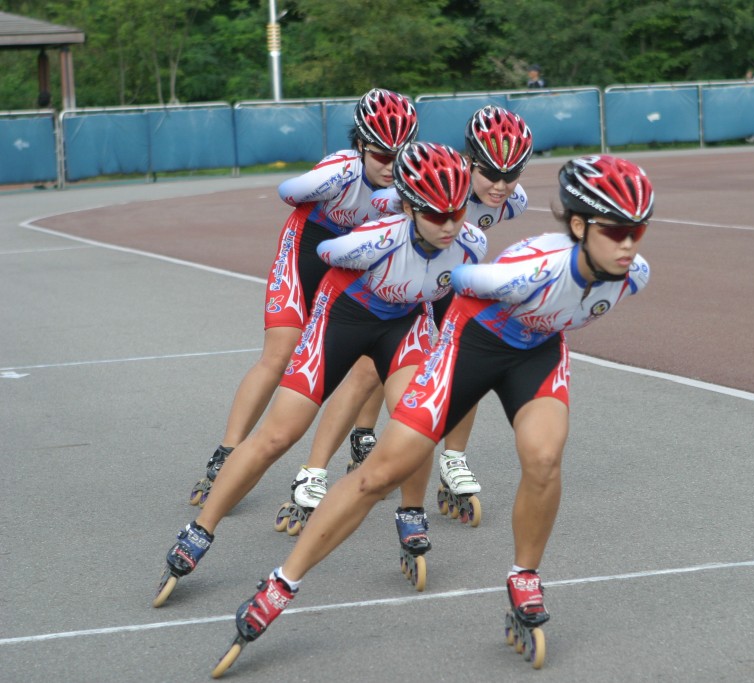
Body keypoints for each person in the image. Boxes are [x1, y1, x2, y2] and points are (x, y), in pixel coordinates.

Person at [208, 154, 654, 676]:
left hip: (536, 354)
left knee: (544, 458)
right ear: (579, 226)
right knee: (379, 476)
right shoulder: (530, 270)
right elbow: (458, 280)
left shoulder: (633, 276)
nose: (629, 244)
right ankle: (281, 584)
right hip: (474, 343)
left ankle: (523, 575)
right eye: (618, 229)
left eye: (638, 230)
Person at [154, 142, 486, 608]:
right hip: (342, 318)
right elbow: (325, 251)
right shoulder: (374, 240)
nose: (449, 225)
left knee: (418, 422)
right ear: (410, 205)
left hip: (403, 326)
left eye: (456, 212)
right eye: (435, 214)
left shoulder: (472, 244)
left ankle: (411, 512)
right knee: (278, 435)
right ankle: (200, 529)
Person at [186, 88, 418, 513]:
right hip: (308, 250)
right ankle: (227, 452)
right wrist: (318, 184)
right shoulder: (342, 170)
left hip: (355, 261)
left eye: (400, 155)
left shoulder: (408, 184)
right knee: (281, 353)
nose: (391, 165)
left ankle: (362, 436)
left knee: (376, 347)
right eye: (382, 154)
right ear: (362, 144)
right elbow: (289, 192)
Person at [367, 105, 535, 527]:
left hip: (446, 276)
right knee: (376, 364)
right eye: (490, 174)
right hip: (402, 272)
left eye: (511, 174)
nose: (500, 185)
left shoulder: (512, 202)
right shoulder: (437, 178)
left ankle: (453, 459)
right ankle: (361, 437)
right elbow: (379, 206)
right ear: (469, 160)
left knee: (465, 359)